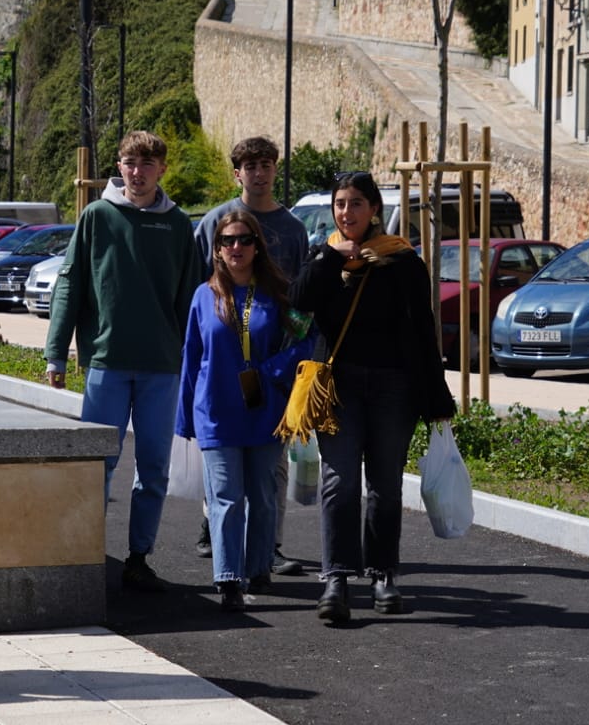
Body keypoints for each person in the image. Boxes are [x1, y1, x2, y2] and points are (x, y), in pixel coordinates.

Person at [291, 171, 455, 623]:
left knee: (384, 487)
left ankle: (383, 573)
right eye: (341, 204)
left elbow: (424, 331)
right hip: (338, 387)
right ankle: (336, 579)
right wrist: (329, 257)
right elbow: (299, 299)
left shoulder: (401, 260)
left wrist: (436, 395)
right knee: (339, 482)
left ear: (375, 209)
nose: (347, 212)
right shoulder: (322, 255)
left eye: (357, 203)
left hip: (393, 388)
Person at [45, 130, 201, 592]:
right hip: (106, 363)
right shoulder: (96, 216)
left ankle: (138, 556)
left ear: (162, 169)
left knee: (153, 469)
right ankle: (89, 552)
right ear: (119, 165)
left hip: (161, 366)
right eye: (130, 162)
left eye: (147, 163)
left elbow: (190, 298)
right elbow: (70, 284)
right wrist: (57, 350)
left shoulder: (177, 226)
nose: (137, 172)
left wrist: (192, 362)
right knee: (99, 467)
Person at [178, 210, 313, 609]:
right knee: (225, 497)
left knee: (263, 495)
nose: (236, 248)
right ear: (217, 249)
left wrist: (275, 368)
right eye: (227, 241)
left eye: (244, 240)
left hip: (266, 410)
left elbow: (308, 340)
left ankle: (258, 568)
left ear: (257, 246)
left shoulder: (279, 293)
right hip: (217, 412)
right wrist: (185, 416)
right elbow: (191, 357)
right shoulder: (204, 296)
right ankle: (228, 577)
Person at [193, 135, 311, 576]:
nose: (259, 173)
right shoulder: (213, 222)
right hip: (223, 367)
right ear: (237, 172)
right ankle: (215, 534)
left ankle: (269, 549)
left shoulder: (294, 230)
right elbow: (196, 289)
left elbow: (302, 303)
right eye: (250, 165)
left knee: (270, 473)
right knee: (221, 469)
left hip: (273, 372)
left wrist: (290, 362)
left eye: (266, 164)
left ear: (275, 169)